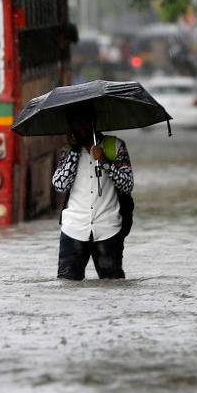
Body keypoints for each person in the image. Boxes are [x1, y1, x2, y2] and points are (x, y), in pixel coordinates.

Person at [52, 102, 134, 280]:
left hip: (108, 228)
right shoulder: (67, 151)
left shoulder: (115, 146)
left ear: (94, 122)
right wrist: (74, 151)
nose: (80, 128)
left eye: (84, 122)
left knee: (113, 286)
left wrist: (104, 161)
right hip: (73, 228)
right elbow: (59, 185)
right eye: (75, 123)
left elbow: (127, 185)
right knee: (66, 285)